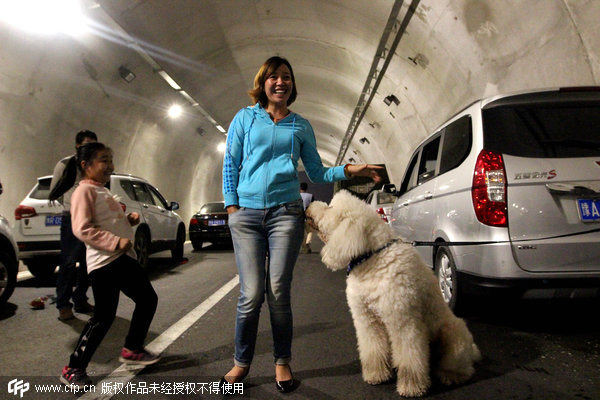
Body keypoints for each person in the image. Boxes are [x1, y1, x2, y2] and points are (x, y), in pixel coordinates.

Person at [221, 55, 382, 393]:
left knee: (278, 291)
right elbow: (230, 163)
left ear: (292, 85)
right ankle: (241, 363)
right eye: (274, 77)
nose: (281, 82)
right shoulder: (244, 118)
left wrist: (350, 171)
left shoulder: (300, 126)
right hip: (247, 215)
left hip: (285, 214)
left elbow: (319, 172)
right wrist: (233, 206)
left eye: (287, 77)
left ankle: (282, 362)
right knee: (250, 294)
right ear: (263, 82)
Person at [60, 142, 159, 389]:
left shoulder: (100, 190)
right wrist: (115, 242)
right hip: (105, 262)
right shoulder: (84, 191)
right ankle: (73, 368)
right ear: (86, 165)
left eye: (111, 159)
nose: (110, 166)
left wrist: (128, 220)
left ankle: (133, 349)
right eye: (104, 160)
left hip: (120, 259)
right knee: (104, 317)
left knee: (146, 299)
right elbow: (82, 228)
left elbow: (106, 222)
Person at [50, 130, 97, 321]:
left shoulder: (95, 165)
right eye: (87, 145)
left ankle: (80, 299)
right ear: (78, 146)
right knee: (68, 263)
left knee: (89, 263)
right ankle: (63, 305)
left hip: (92, 219)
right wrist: (74, 206)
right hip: (71, 218)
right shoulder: (65, 164)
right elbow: (56, 191)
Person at [299, 182, 314, 253]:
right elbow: (313, 206)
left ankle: (305, 248)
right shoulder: (310, 196)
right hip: (308, 217)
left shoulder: (297, 196)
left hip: (299, 217)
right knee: (310, 231)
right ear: (306, 188)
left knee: (301, 234)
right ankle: (308, 243)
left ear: (300, 188)